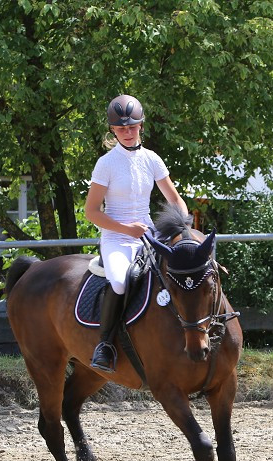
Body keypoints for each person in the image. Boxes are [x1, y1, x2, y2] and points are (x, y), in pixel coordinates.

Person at [83, 93, 188, 372]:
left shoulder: (152, 159)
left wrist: (184, 231)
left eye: (132, 127)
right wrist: (125, 229)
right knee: (119, 281)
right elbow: (91, 212)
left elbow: (175, 200)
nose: (127, 133)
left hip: (149, 236)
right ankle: (104, 344)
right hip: (116, 237)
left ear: (141, 125)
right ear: (113, 130)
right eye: (120, 128)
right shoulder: (106, 163)